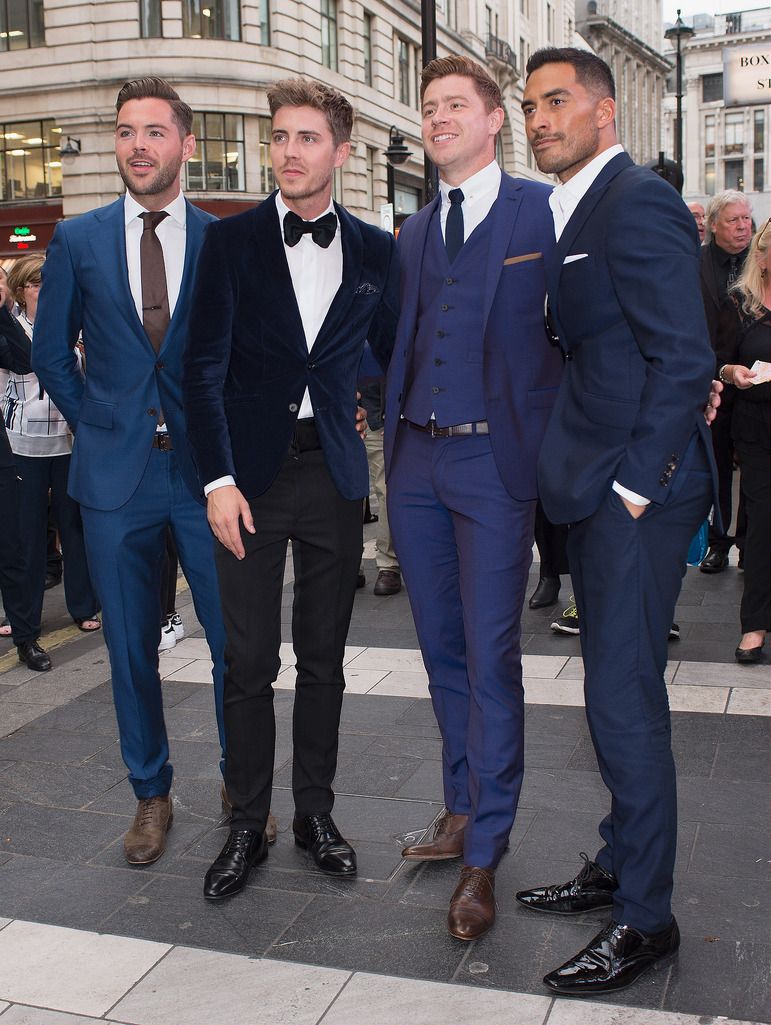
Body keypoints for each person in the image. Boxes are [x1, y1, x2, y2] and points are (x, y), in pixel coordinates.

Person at [515, 48, 717, 996]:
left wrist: (636, 487)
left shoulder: (633, 201)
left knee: (623, 705)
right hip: (598, 486)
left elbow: (685, 357)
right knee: (612, 692)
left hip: (636, 495)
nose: (538, 118)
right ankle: (616, 861)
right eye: (530, 105)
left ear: (602, 110)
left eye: (556, 102)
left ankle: (646, 916)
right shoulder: (571, 209)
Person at [183, 78, 399, 901]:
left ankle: (315, 813)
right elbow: (199, 371)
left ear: (340, 152)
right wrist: (217, 479)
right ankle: (246, 823)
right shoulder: (231, 245)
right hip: (248, 481)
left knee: (324, 661)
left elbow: (392, 353)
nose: (288, 151)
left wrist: (370, 401)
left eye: (307, 138)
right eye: (279, 137)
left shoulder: (378, 250)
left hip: (334, 476)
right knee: (244, 661)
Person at [384, 55, 564, 941]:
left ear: (495, 120)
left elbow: (580, 332)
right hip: (415, 463)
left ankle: (485, 851)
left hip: (494, 467)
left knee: (491, 657)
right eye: (429, 107)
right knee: (440, 651)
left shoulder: (541, 210)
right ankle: (460, 805)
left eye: (455, 104)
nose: (437, 117)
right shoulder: (416, 230)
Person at [33, 76, 229, 867]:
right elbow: (51, 353)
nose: (137, 144)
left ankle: (240, 786)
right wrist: (101, 423)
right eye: (124, 131)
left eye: (153, 130)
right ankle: (150, 792)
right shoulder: (77, 239)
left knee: (234, 642)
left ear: (185, 143)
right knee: (127, 651)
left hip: (207, 477)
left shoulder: (223, 239)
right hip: (114, 483)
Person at [3, 256, 101, 644]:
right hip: (21, 446)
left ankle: (83, 605)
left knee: (73, 527)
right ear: (21, 290)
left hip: (68, 442)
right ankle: (23, 615)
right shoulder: (11, 330)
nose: (43, 292)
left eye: (50, 284)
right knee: (24, 535)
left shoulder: (71, 327)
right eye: (35, 285)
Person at [716, 218, 770, 664]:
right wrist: (732, 373)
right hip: (756, 431)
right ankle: (754, 626)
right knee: (764, 530)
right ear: (764, 257)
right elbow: (720, 362)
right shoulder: (741, 303)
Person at [699, 190, 753, 573]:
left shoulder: (761, 263)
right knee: (716, 464)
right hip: (710, 378)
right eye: (733, 220)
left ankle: (750, 545)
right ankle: (718, 543)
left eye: (746, 219)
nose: (743, 226)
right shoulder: (694, 264)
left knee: (753, 467)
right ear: (714, 225)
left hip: (754, 379)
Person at [0, 272, 52, 671]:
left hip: (7, 450)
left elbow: (23, 359)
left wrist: (2, 312)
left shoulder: (7, 322)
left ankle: (26, 638)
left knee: (14, 546)